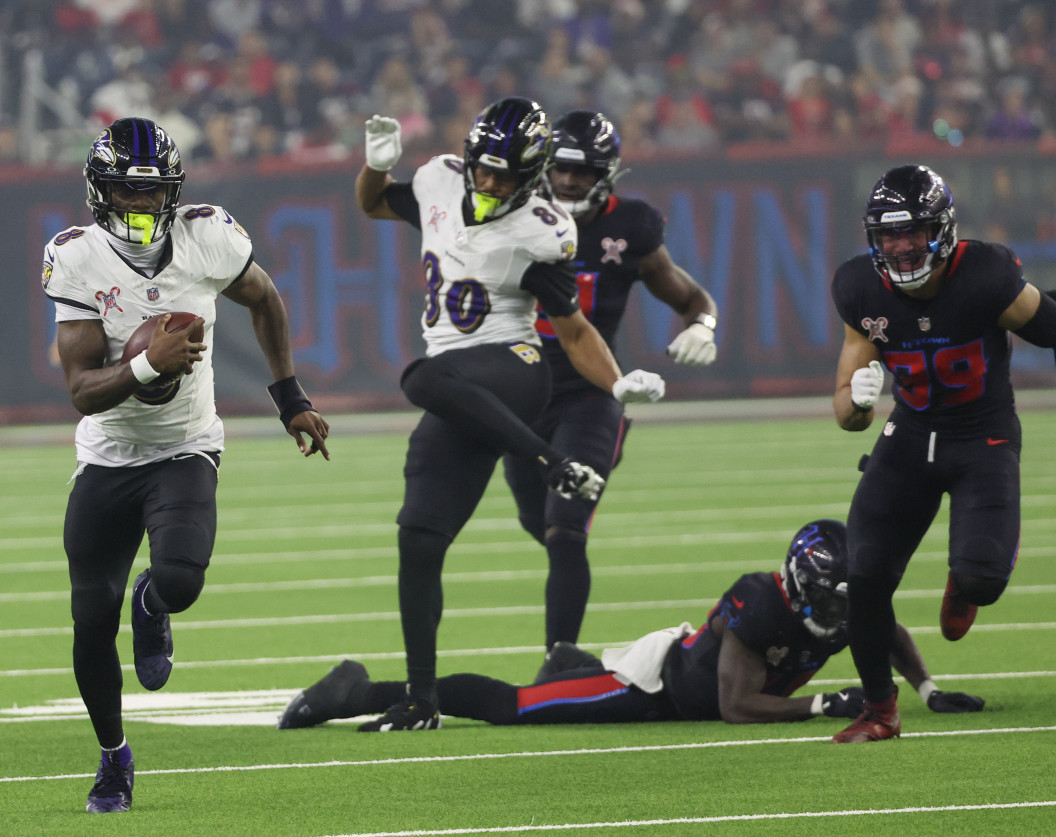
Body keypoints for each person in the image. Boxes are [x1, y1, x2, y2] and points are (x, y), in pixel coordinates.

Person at [43, 116, 330, 813]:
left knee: (178, 579)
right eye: (126, 193)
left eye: (152, 194)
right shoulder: (76, 256)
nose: (140, 207)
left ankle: (154, 604)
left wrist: (289, 395)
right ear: (98, 191)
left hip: (184, 445)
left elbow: (264, 297)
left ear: (173, 193)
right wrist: (145, 363)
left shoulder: (207, 236)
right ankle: (114, 758)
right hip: (109, 456)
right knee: (88, 620)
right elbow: (82, 392)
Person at [355, 97, 666, 731]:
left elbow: (573, 331)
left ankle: (550, 460)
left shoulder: (544, 230)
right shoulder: (441, 180)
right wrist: (374, 166)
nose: (492, 183)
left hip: (516, 369)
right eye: (485, 171)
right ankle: (421, 698)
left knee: (419, 376)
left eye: (506, 175)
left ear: (532, 175)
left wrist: (615, 385)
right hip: (459, 389)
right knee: (417, 536)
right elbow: (371, 202)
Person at [277, 519, 984, 730]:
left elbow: (883, 630)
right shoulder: (760, 601)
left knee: (546, 689)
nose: (839, 614)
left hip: (688, 686)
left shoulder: (845, 599)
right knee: (517, 710)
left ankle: (568, 663)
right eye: (829, 599)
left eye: (844, 600)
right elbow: (733, 705)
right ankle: (367, 691)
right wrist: (824, 702)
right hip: (658, 686)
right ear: (797, 581)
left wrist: (924, 686)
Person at [829, 163, 1056, 743]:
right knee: (864, 576)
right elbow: (847, 418)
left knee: (981, 582)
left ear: (942, 229)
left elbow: (1053, 328)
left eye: (912, 232)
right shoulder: (859, 287)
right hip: (908, 436)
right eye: (888, 234)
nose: (901, 246)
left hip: (983, 437)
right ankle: (881, 710)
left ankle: (966, 579)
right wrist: (858, 401)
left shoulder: (984, 274)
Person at [502, 110, 720, 657]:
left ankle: (559, 657)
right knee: (541, 523)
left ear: (608, 173)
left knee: (566, 524)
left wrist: (704, 323)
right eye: (564, 168)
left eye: (586, 170)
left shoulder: (631, 226)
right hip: (520, 395)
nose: (572, 180)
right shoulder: (514, 214)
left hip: (592, 395)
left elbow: (690, 295)